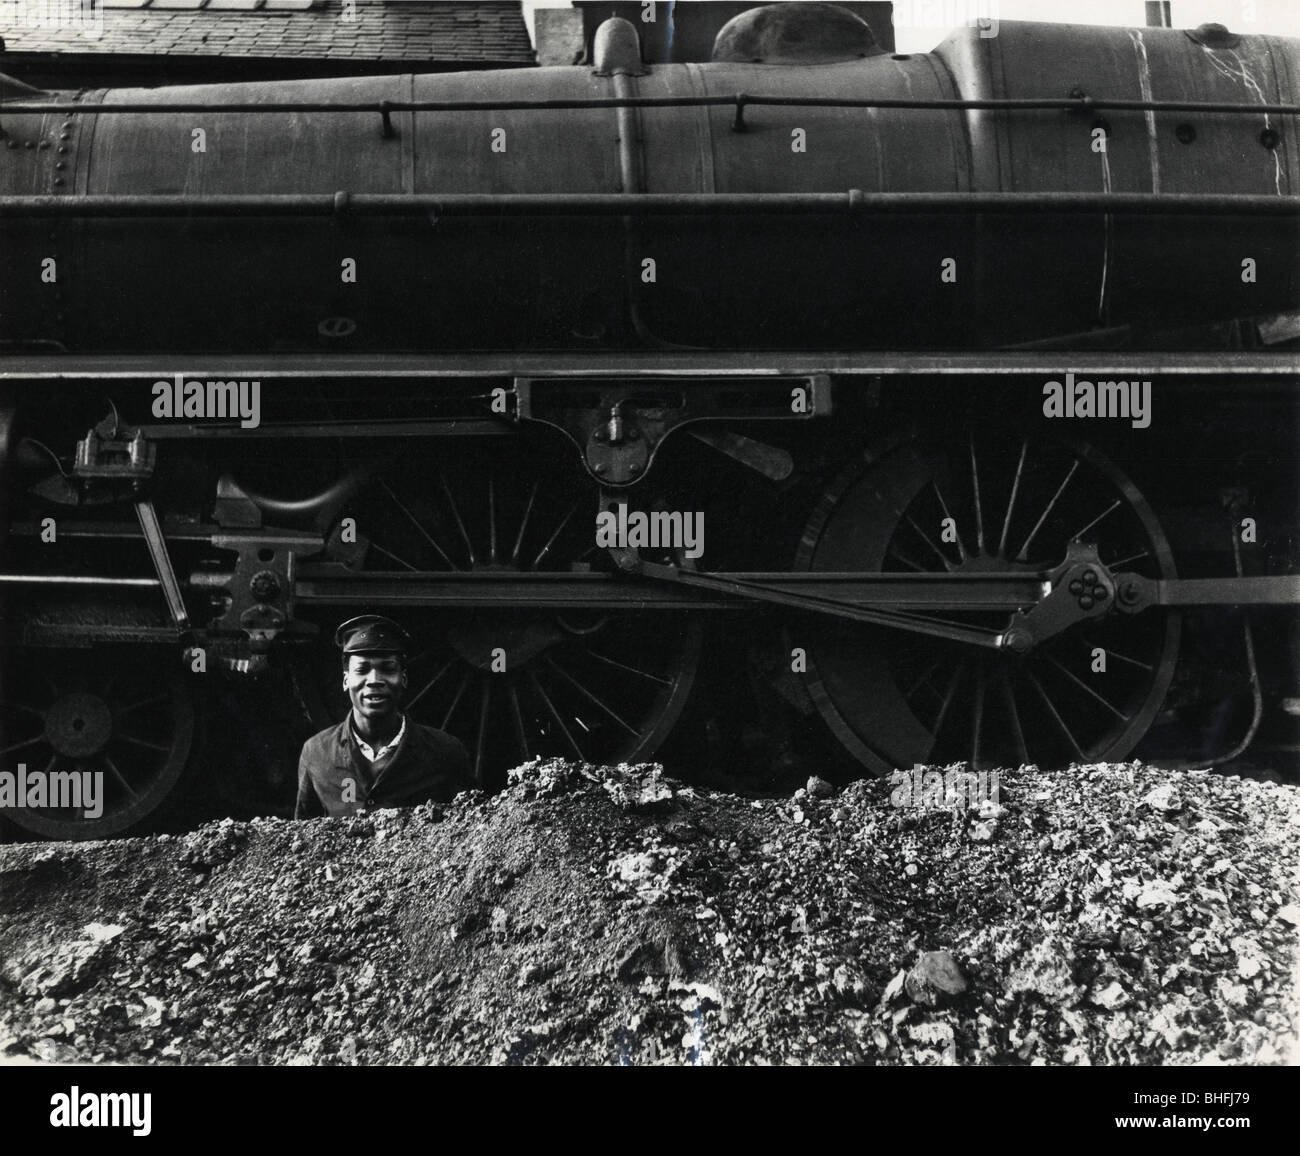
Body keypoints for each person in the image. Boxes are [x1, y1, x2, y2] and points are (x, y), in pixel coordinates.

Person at [294, 615, 472, 819]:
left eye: (387, 669)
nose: (374, 680)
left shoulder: (445, 751)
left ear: (403, 679)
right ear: (346, 680)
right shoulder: (316, 752)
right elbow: (304, 836)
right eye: (362, 670)